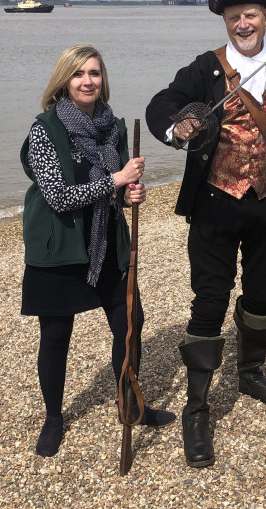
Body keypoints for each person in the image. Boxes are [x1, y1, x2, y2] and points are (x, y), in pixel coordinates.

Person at [146, 0, 266, 468]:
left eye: (250, 15)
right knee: (209, 301)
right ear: (225, 23)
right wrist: (179, 124)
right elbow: (161, 105)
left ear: (265, 18)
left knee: (262, 295)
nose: (243, 25)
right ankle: (197, 407)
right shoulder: (205, 68)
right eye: (234, 18)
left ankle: (250, 373)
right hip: (214, 203)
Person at [21, 44, 175, 458]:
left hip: (108, 241)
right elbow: (57, 196)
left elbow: (119, 193)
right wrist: (117, 180)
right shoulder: (45, 129)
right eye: (78, 74)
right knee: (56, 335)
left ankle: (130, 404)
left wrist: (130, 195)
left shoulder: (112, 127)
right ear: (63, 81)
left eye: (94, 73)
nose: (87, 81)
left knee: (131, 322)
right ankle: (54, 418)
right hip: (59, 245)